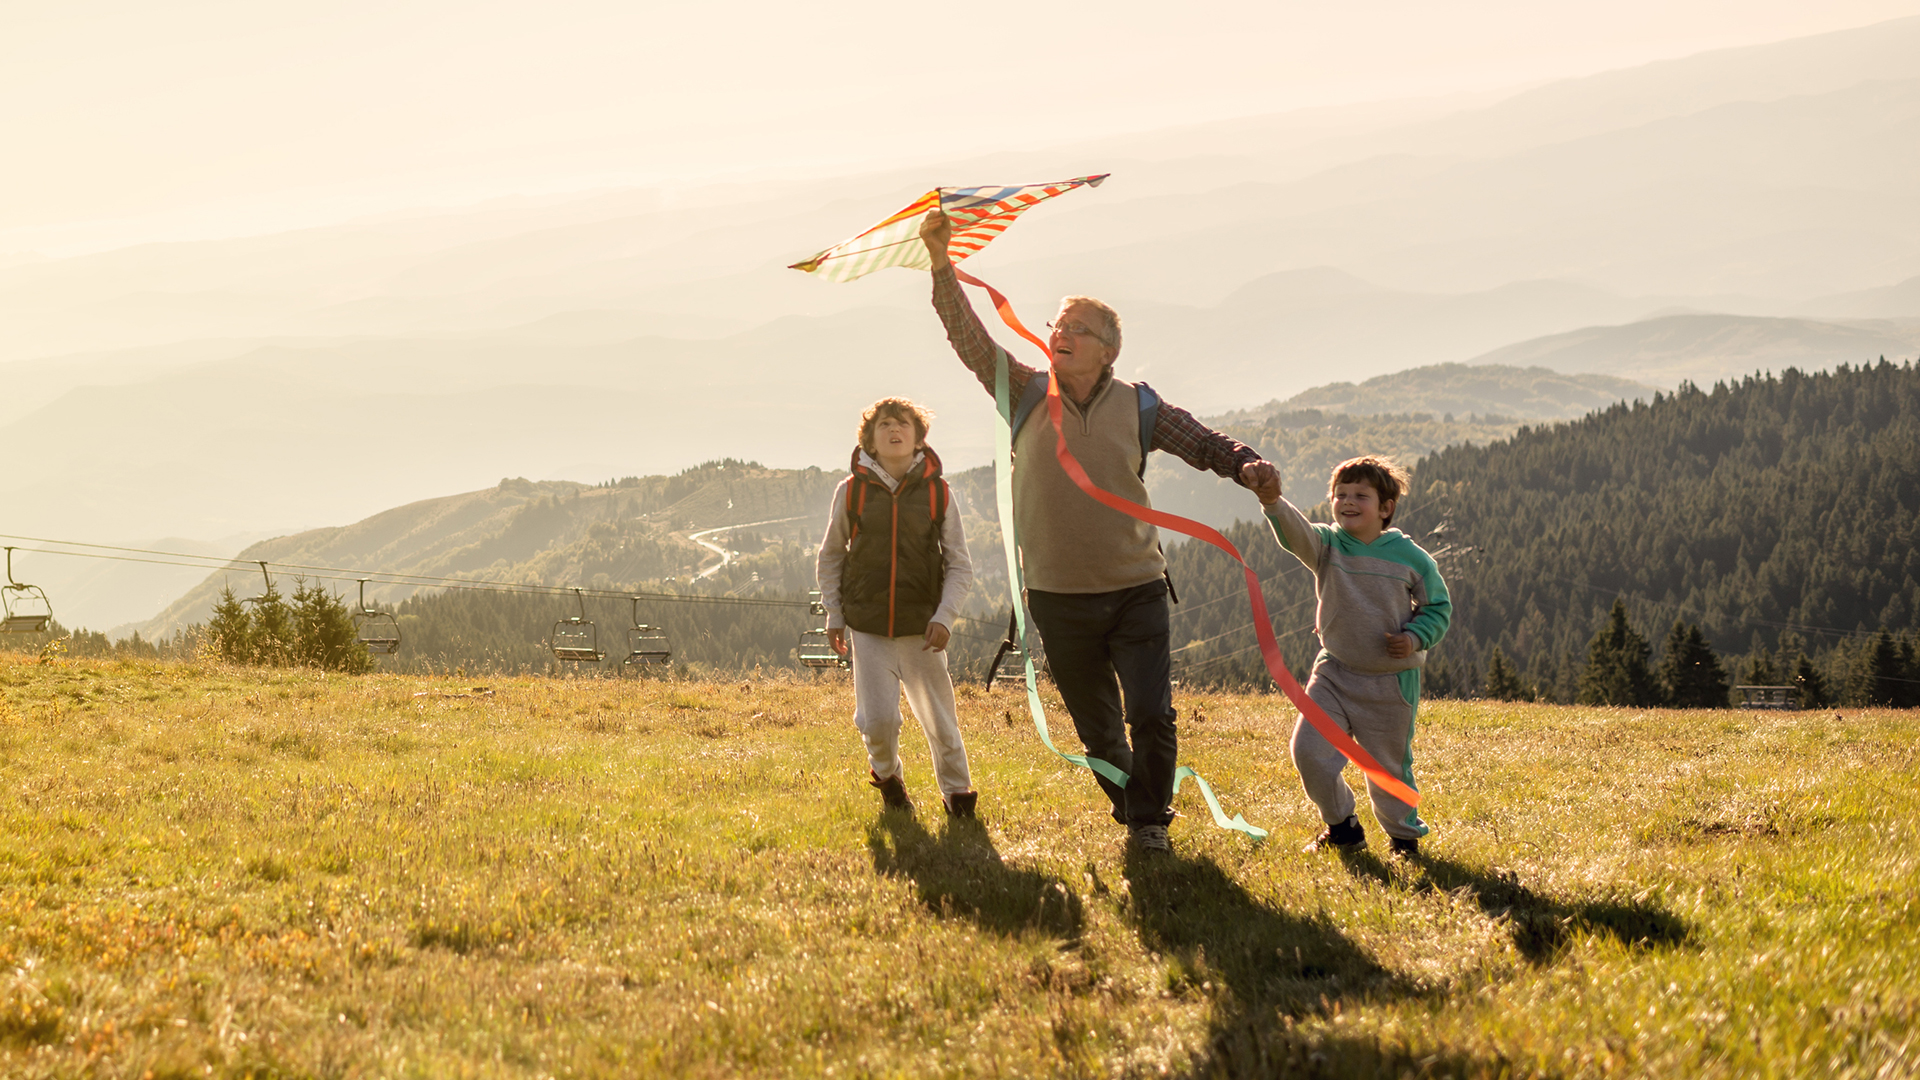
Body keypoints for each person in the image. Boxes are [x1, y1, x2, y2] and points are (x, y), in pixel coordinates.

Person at [918, 209, 1277, 853]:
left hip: (1136, 587)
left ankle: (1147, 826)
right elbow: (969, 338)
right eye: (1059, 323)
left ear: (1108, 349)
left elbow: (1199, 441)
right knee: (1100, 733)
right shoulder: (1023, 391)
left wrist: (1245, 463)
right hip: (1057, 598)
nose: (1062, 332)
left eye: (1078, 328)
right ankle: (1141, 807)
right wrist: (942, 265)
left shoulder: (1139, 405)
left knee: (1151, 715)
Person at [1247, 455, 1451, 858]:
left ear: (1386, 508)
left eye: (1361, 495)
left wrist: (1414, 637)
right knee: (1308, 751)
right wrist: (1273, 501)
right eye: (1340, 494)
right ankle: (1343, 827)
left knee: (1388, 767)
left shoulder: (1413, 558)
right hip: (1334, 673)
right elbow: (1295, 534)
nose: (1348, 501)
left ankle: (1404, 840)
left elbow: (1438, 608)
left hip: (1390, 683)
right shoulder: (1327, 544)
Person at [816, 397, 978, 817]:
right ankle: (887, 778)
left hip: (922, 631)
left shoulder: (939, 493)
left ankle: (958, 796)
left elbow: (960, 564)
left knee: (940, 721)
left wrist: (945, 617)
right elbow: (831, 555)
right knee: (878, 722)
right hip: (868, 628)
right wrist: (834, 613)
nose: (894, 429)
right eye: (884, 424)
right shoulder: (850, 491)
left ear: (918, 436)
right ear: (869, 440)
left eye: (903, 423)